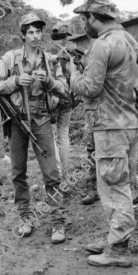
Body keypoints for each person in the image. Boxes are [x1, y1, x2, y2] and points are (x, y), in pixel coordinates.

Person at [66, 0, 138, 267]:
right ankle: (115, 238)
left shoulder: (102, 44)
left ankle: (119, 249)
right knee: (122, 183)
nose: (82, 24)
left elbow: (90, 88)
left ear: (93, 18)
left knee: (114, 186)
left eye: (83, 18)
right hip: (131, 121)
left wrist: (72, 74)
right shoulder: (128, 40)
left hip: (111, 126)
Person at [0, 12, 68, 244]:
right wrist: (14, 81)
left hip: (41, 120)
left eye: (38, 31)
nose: (35, 36)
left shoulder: (50, 60)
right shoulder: (11, 58)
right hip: (17, 121)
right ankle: (25, 218)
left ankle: (57, 221)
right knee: (18, 173)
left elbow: (64, 89)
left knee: (52, 173)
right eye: (30, 32)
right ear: (23, 35)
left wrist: (48, 82)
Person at [50, 22, 77, 180]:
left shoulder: (45, 50)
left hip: (51, 96)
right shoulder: (73, 50)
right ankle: (65, 173)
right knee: (63, 135)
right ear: (67, 35)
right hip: (67, 96)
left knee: (50, 136)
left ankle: (58, 173)